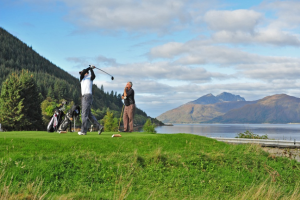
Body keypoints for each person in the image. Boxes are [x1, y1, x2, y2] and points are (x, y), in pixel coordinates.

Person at [78, 65, 104, 135]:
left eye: (82, 72)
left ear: (86, 72)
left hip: (87, 96)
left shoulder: (90, 77)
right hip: (85, 97)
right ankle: (99, 126)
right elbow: (83, 74)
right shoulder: (82, 78)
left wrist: (91, 69)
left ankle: (83, 131)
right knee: (89, 114)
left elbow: (94, 76)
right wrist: (90, 68)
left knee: (84, 114)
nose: (80, 73)